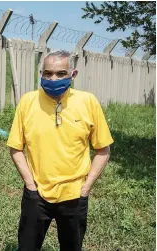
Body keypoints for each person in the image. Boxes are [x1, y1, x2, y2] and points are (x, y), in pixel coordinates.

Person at [7, 50, 114, 251]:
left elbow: (103, 149)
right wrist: (30, 184)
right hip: (36, 195)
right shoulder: (28, 102)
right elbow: (15, 147)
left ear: (73, 75)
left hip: (75, 195)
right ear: (41, 73)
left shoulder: (88, 102)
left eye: (60, 73)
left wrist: (86, 187)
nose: (53, 78)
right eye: (47, 73)